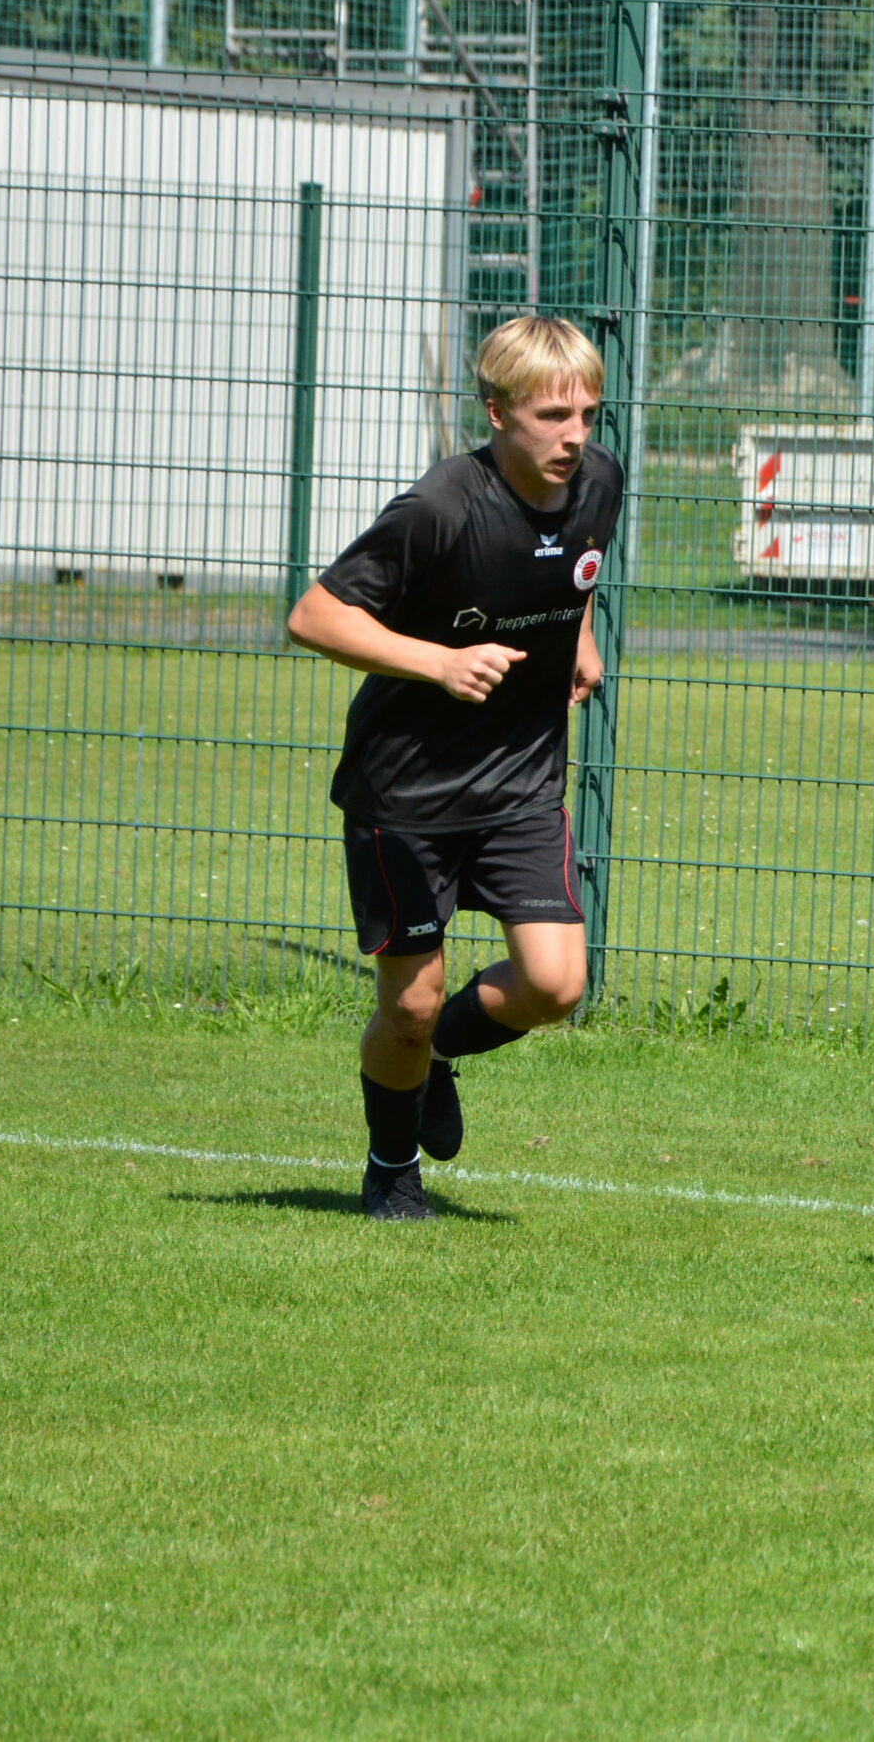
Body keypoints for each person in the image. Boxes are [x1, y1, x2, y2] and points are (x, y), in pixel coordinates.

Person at [287, 316, 625, 1221]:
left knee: (555, 983)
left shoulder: (600, 482)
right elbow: (314, 617)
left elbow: (572, 573)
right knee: (409, 1004)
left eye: (587, 414)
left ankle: (437, 1056)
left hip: (520, 781)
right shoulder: (441, 506)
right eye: (552, 416)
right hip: (407, 792)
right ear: (497, 412)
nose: (575, 436)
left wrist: (578, 638)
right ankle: (392, 1169)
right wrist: (437, 662)